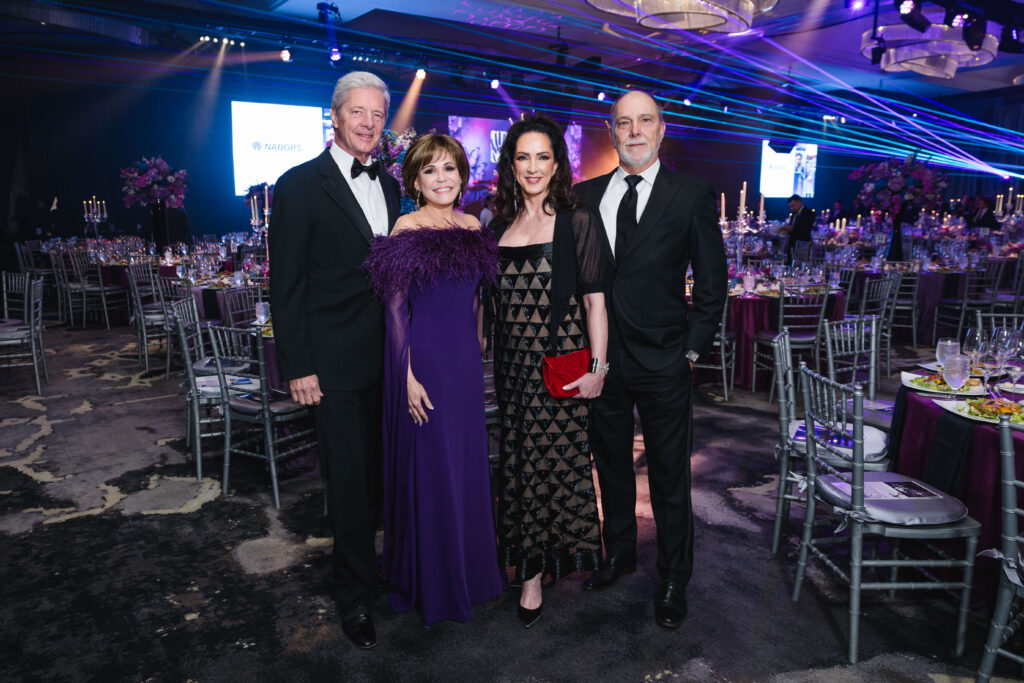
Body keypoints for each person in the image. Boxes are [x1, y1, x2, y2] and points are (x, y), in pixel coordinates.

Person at [574, 90, 727, 629]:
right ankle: (619, 553)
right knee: (610, 465)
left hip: (665, 360)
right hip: (603, 362)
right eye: (624, 123)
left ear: (662, 130)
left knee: (668, 476)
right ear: (611, 132)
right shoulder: (585, 195)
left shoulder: (690, 194)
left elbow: (713, 285)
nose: (634, 131)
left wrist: (691, 352)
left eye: (645, 121)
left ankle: (672, 576)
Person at [269, 71, 401, 650]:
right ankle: (353, 598)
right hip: (332, 366)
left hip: (391, 365)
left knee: (381, 480)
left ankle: (379, 571)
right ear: (336, 116)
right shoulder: (298, 185)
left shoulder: (393, 186)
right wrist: (298, 365)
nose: (369, 123)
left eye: (378, 114)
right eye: (359, 113)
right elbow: (286, 285)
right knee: (347, 486)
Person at [362, 133, 504, 625]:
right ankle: (434, 580)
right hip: (422, 361)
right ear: (415, 180)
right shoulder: (406, 227)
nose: (442, 178)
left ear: (463, 174)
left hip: (463, 362)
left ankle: (470, 571)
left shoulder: (473, 226)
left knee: (466, 462)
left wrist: (480, 339)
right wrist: (404, 376)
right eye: (431, 171)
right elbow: (396, 312)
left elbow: (475, 299)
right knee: (432, 466)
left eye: (450, 169)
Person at [491, 114, 609, 628]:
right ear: (511, 164)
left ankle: (536, 577)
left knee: (554, 468)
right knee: (518, 469)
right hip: (512, 370)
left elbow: (596, 304)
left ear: (557, 162)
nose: (533, 167)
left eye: (543, 156)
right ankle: (530, 566)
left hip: (559, 367)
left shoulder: (576, 218)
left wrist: (600, 368)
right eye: (523, 157)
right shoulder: (496, 226)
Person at [783, 194, 814, 263]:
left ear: (799, 202)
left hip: (803, 244)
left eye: (793, 205)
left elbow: (806, 229)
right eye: (790, 206)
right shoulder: (794, 214)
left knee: (801, 263)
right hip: (792, 243)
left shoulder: (809, 213)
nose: (792, 208)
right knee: (790, 263)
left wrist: (792, 228)